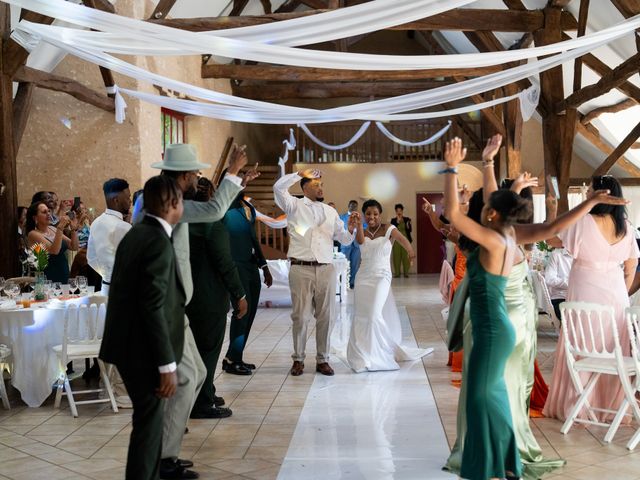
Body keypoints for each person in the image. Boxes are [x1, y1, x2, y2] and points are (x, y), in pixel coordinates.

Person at [134, 143, 248, 480]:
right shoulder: (167, 204)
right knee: (183, 379)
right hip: (164, 308)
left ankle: (165, 450)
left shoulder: (166, 198)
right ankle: (162, 457)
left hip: (174, 307)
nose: (198, 177)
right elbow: (213, 210)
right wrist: (233, 171)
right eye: (195, 173)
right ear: (183, 176)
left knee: (195, 375)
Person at [441, 137, 525, 480]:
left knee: (478, 398)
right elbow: (493, 202)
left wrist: (451, 168)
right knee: (494, 396)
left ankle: (484, 465)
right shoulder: (507, 234)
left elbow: (452, 214)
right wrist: (489, 163)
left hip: (492, 329)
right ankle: (506, 463)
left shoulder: (493, 238)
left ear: (492, 213)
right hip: (496, 326)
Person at [99, 175, 185, 480]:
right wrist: (166, 364)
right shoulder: (157, 241)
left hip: (127, 345)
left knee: (147, 426)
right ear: (173, 203)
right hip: (143, 351)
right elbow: (152, 305)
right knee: (148, 429)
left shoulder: (136, 233)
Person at [544, 175, 639, 422]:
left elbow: (550, 238)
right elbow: (631, 267)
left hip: (586, 287)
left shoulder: (584, 221)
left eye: (589, 190)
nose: (587, 194)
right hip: (617, 293)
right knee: (614, 348)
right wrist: (622, 296)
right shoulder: (627, 226)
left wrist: (553, 209)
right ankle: (612, 406)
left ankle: (579, 405)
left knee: (582, 345)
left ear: (601, 195)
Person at [273, 168, 357, 377]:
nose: (320, 188)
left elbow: (344, 239)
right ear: (304, 187)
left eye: (321, 185)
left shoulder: (331, 212)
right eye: (316, 184)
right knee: (300, 317)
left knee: (326, 317)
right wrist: (299, 173)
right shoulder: (293, 205)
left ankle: (323, 360)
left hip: (326, 269)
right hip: (301, 268)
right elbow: (278, 187)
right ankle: (298, 359)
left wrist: (352, 229)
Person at [346, 199, 432, 373]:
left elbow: (403, 240)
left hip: (381, 276)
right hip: (363, 276)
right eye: (368, 214)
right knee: (361, 315)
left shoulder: (389, 229)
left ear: (380, 215)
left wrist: (410, 252)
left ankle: (382, 352)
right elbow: (361, 242)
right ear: (364, 214)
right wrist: (357, 226)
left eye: (375, 214)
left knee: (372, 315)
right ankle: (362, 355)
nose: (372, 217)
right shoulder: (361, 229)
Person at [187, 177, 247, 419]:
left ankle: (206, 391)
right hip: (209, 295)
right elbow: (224, 261)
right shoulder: (211, 220)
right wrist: (239, 294)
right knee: (208, 349)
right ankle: (202, 403)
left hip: (188, 294)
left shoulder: (185, 217)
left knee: (196, 349)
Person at [221, 172, 273, 376]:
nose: (243, 183)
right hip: (235, 265)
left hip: (251, 266)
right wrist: (238, 180)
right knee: (241, 312)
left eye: (244, 180)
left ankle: (236, 356)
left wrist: (264, 266)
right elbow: (229, 193)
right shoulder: (226, 204)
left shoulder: (248, 207)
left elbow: (253, 238)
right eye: (238, 180)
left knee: (249, 312)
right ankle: (231, 360)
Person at [88, 178, 132, 296]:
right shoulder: (123, 227)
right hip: (125, 288)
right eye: (128, 197)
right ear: (116, 200)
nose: (130, 201)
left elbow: (91, 258)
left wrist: (107, 275)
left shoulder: (96, 223)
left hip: (106, 287)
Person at [26, 201, 80, 282]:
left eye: (48, 211)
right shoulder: (33, 234)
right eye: (44, 212)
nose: (48, 214)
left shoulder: (53, 229)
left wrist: (73, 229)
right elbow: (54, 250)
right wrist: (60, 227)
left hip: (63, 272)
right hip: (48, 277)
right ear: (35, 218)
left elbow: (74, 247)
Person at [544, 247, 573, 320]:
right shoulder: (556, 255)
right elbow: (549, 279)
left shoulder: (586, 256)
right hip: (561, 298)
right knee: (575, 318)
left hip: (580, 298)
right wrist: (572, 284)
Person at [339, 200, 362, 289]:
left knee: (355, 264)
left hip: (356, 244)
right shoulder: (342, 217)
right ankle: (344, 283)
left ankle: (352, 283)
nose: (353, 207)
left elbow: (364, 228)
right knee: (344, 264)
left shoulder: (360, 217)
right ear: (348, 206)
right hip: (345, 244)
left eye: (355, 206)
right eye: (352, 205)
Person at [390, 203, 413, 278]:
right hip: (396, 241)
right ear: (395, 212)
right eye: (397, 211)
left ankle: (406, 273)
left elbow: (410, 230)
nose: (399, 212)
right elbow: (392, 229)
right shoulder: (393, 220)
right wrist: (397, 221)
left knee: (406, 256)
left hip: (405, 240)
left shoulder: (407, 219)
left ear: (402, 211)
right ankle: (397, 273)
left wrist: (408, 224)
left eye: (400, 211)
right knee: (396, 256)